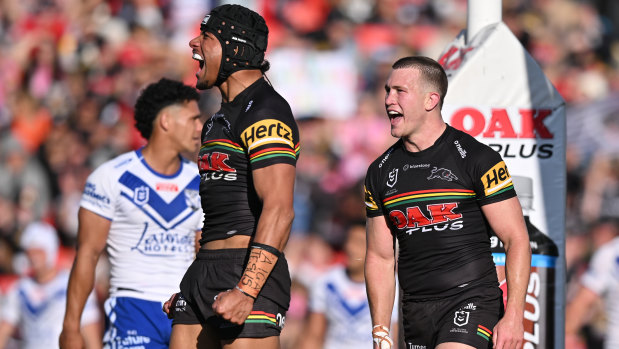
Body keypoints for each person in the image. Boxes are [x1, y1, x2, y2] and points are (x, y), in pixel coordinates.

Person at [363, 56, 531, 349]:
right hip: (415, 310)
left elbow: (516, 238)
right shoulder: (379, 171)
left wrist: (515, 314)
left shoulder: (476, 158)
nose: (389, 99)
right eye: (387, 90)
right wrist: (380, 330)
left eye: (400, 91)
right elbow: (380, 257)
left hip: (472, 300)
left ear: (431, 100)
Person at [162, 4, 299, 349]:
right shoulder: (214, 120)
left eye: (205, 37)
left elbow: (280, 210)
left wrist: (246, 290)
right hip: (205, 267)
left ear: (234, 48)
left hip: (246, 272)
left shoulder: (268, 112)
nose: (193, 44)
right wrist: (192, 283)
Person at [59, 78, 204, 349]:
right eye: (193, 119)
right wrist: (70, 327)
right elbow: (87, 254)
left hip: (188, 309)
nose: (200, 127)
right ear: (166, 122)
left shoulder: (202, 181)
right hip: (132, 309)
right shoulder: (110, 177)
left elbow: (204, 253)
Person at [0, 222, 101, 349]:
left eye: (38, 252)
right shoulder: (20, 288)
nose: (33, 257)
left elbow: (90, 333)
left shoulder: (72, 286)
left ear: (50, 251)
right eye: (29, 252)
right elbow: (4, 330)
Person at [297, 223, 399, 349]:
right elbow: (312, 336)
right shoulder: (326, 282)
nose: (350, 248)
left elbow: (396, 338)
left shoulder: (393, 286)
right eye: (349, 241)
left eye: (359, 243)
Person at [565, 231, 619, 349]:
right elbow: (581, 304)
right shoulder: (610, 254)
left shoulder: (610, 252)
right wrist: (568, 336)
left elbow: (581, 304)